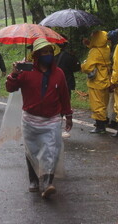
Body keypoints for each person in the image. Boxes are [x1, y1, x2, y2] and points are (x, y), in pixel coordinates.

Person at [5, 38, 73, 199]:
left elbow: (64, 95)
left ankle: (47, 182)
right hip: (30, 119)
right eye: (44, 52)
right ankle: (33, 180)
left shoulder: (59, 74)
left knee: (52, 150)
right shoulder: (26, 72)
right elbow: (10, 88)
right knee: (32, 150)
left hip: (52, 119)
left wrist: (68, 115)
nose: (47, 55)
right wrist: (14, 74)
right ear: (36, 55)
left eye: (50, 52)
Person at [81, 30, 111, 134]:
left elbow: (88, 67)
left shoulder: (94, 52)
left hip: (96, 82)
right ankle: (103, 122)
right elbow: (97, 50)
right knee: (103, 103)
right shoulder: (106, 48)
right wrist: (89, 45)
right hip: (105, 79)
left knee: (97, 104)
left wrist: (83, 65)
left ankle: (100, 127)